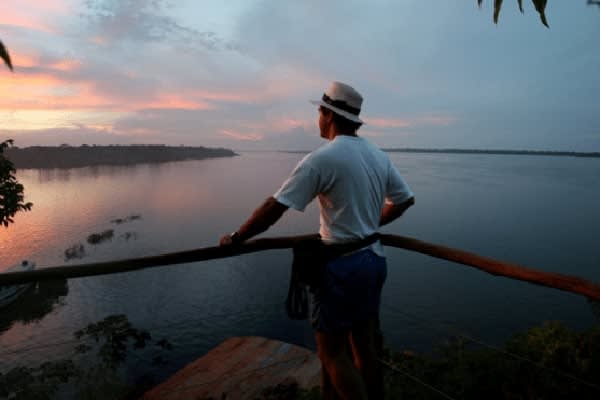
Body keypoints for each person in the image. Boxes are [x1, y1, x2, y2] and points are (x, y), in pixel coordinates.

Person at [220, 81, 414, 399]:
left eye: (319, 112)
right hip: (373, 259)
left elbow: (275, 207)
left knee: (331, 354)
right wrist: (371, 221)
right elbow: (405, 200)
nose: (317, 119)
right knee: (364, 348)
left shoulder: (321, 159)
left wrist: (237, 236)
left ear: (327, 114)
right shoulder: (377, 155)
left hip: (342, 266)